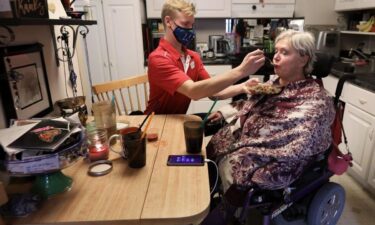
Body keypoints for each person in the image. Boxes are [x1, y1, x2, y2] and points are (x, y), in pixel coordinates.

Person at [201, 30, 336, 224]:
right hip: (247, 139)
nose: (276, 57)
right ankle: (208, 194)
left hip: (278, 156)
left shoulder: (317, 101)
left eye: (285, 52)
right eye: (276, 51)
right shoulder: (274, 82)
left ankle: (224, 213)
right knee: (216, 142)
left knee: (241, 166)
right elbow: (250, 102)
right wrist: (225, 112)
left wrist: (250, 141)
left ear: (303, 59)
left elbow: (304, 142)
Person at [145, 0, 265, 115]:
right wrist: (241, 71)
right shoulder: (158, 59)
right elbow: (193, 92)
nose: (190, 30)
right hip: (155, 123)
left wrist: (243, 86)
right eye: (185, 24)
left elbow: (214, 92)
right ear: (168, 21)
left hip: (177, 119)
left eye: (191, 25)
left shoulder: (193, 57)